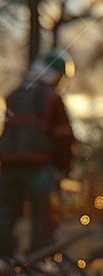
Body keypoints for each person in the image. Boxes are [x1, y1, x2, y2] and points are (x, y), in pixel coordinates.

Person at [0, 48, 75, 260]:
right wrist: (64, 167)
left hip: (8, 165)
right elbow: (63, 137)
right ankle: (41, 257)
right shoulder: (51, 98)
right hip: (39, 166)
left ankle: (3, 258)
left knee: (4, 212)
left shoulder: (14, 94)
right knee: (45, 213)